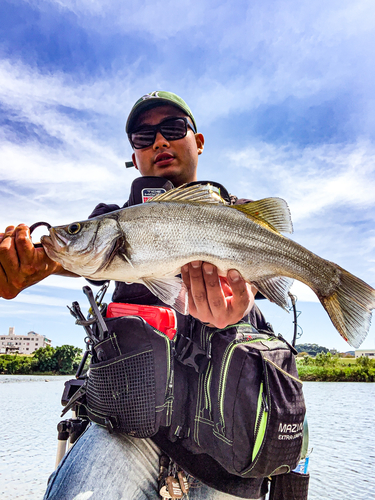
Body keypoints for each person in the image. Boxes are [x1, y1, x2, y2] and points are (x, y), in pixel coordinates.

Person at [0, 91, 270, 499]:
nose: (159, 141)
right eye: (143, 136)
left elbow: (263, 283)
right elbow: (74, 256)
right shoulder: (111, 217)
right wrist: (29, 266)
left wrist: (242, 301)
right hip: (127, 427)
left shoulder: (240, 215)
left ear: (198, 142)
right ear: (134, 154)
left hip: (228, 435)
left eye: (173, 129)